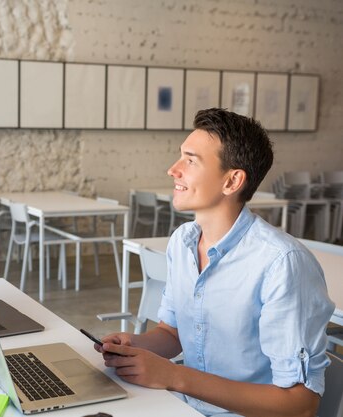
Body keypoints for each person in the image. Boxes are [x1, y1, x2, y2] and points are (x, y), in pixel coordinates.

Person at [97, 108, 335, 417]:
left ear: (232, 181)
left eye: (191, 160)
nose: (173, 169)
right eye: (180, 156)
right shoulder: (182, 241)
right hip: (185, 407)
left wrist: (174, 376)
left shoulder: (282, 264)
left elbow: (300, 405)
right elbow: (173, 334)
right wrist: (135, 344)